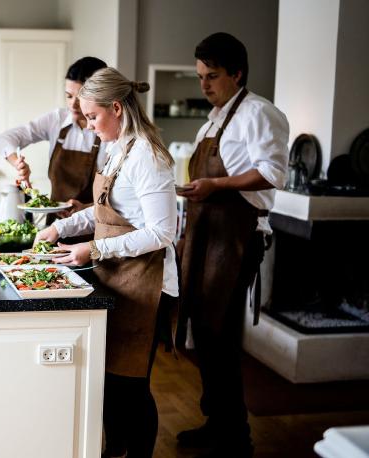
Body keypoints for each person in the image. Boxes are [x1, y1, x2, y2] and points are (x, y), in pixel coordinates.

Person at [35, 67, 178, 458]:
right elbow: (101, 213)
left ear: (117, 108)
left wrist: (94, 250)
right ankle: (115, 451)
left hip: (146, 286)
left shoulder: (148, 157)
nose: (88, 125)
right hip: (118, 277)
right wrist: (62, 228)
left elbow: (162, 232)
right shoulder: (117, 147)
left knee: (132, 387)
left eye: (93, 116)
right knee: (110, 383)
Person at [176, 32, 289, 458]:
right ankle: (216, 423)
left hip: (238, 237)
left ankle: (236, 438)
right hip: (207, 235)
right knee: (204, 335)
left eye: (213, 76)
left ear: (237, 73)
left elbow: (273, 172)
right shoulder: (214, 120)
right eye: (200, 76)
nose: (204, 85)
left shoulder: (260, 113)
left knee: (220, 338)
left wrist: (216, 184)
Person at [0, 57, 108, 217]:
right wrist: (18, 164)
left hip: (92, 226)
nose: (73, 104)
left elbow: (117, 198)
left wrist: (85, 209)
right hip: (54, 226)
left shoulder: (109, 131)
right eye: (69, 96)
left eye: (81, 97)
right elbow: (5, 139)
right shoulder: (57, 119)